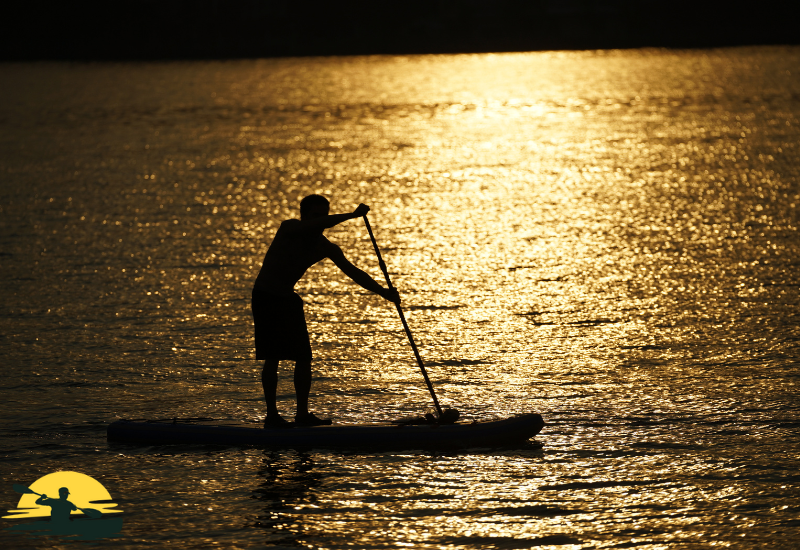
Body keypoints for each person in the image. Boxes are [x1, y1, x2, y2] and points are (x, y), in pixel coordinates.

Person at [252, 195, 400, 427]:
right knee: (273, 358)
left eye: (324, 216)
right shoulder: (289, 228)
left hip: (288, 298)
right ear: (304, 216)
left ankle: (302, 416)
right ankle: (272, 417)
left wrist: (384, 292)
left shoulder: (324, 247)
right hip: (266, 296)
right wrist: (352, 215)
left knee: (303, 357)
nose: (320, 221)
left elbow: (354, 272)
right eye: (315, 216)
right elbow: (317, 224)